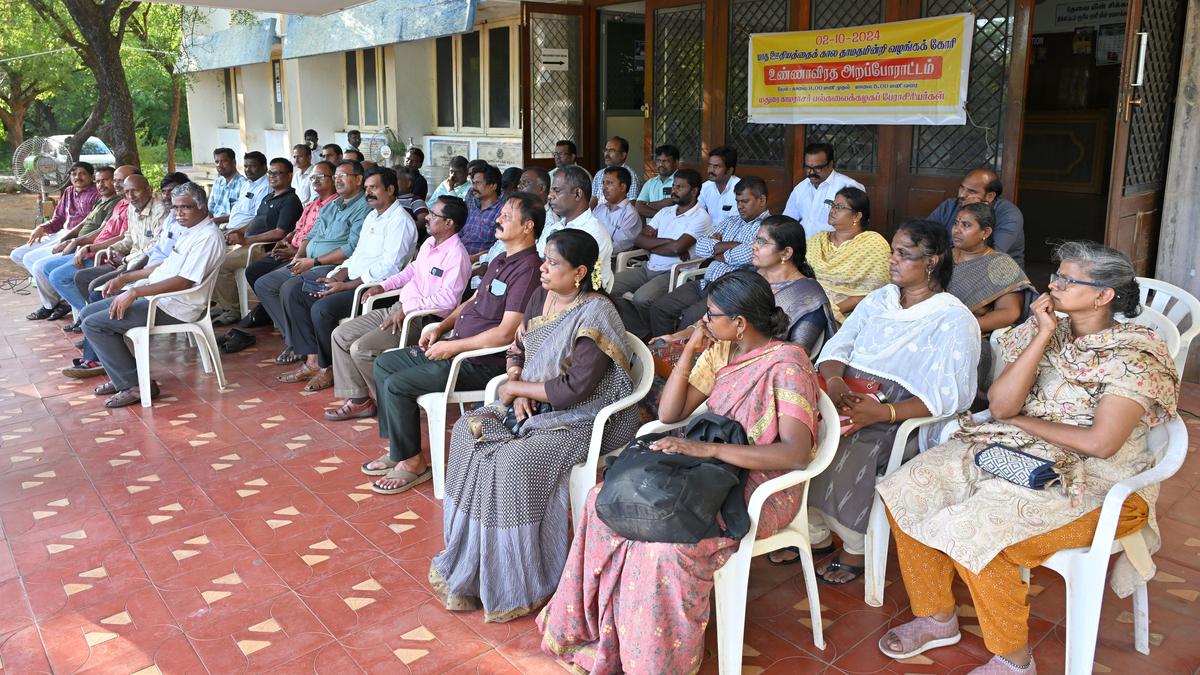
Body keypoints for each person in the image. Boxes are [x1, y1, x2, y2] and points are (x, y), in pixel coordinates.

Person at [875, 241, 1178, 674]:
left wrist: (1023, 424)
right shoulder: (1046, 328)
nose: (1052, 284)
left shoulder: (1135, 355)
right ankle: (937, 617)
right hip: (1014, 449)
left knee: (975, 531)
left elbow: (1100, 443)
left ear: (1103, 295)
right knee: (905, 489)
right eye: (1056, 275)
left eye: (1067, 280)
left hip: (1097, 481)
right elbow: (1000, 407)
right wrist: (1042, 336)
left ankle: (1015, 660)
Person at [539, 269, 822, 672]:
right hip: (707, 472)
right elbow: (671, 412)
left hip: (760, 489)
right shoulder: (724, 351)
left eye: (711, 315)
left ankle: (655, 664)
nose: (704, 321)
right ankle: (602, 637)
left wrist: (704, 449)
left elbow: (795, 454)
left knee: (662, 550)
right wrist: (692, 347)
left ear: (739, 323)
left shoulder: (788, 363)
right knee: (604, 501)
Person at [430, 228, 639, 622]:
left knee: (512, 463)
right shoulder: (542, 296)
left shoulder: (595, 313)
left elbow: (574, 390)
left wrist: (520, 388)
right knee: (466, 434)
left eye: (553, 263)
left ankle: (521, 582)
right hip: (534, 403)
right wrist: (519, 386)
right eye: (544, 260)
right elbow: (517, 349)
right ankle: (471, 562)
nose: (542, 269)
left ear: (579, 272)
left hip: (584, 419)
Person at [801, 220, 979, 582]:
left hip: (903, 413)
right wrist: (835, 382)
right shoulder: (880, 299)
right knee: (797, 434)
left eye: (904, 254)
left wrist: (885, 412)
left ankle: (855, 546)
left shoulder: (953, 317)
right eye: (893, 252)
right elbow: (840, 345)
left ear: (932, 262)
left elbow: (950, 395)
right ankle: (815, 532)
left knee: (848, 446)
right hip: (849, 391)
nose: (892, 260)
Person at [364, 191, 544, 494]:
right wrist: (441, 326)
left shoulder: (528, 269)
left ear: (528, 227)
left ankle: (412, 464)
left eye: (507, 216)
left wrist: (452, 347)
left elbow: (505, 334)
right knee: (385, 362)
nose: (498, 219)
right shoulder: (501, 258)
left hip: (481, 362)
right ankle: (400, 451)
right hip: (456, 345)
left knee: (398, 384)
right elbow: (473, 300)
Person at [78, 182, 226, 408]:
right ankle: (122, 377)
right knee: (89, 311)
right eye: (176, 208)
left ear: (202, 207)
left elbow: (183, 281)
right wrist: (125, 278)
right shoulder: (188, 231)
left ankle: (133, 385)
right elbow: (164, 266)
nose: (178, 213)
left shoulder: (207, 236)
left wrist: (136, 291)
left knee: (95, 324)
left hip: (175, 306)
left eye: (185, 207)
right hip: (158, 298)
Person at [326, 195, 472, 421]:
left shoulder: (457, 256)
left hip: (422, 319)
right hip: (400, 308)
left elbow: (447, 301)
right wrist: (382, 286)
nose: (428, 218)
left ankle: (393, 405)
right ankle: (360, 400)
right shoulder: (430, 244)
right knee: (340, 335)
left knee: (361, 349)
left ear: (449, 223)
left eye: (434, 215)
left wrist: (407, 310)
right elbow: (411, 271)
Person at [274, 165, 414, 391]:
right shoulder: (373, 217)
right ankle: (313, 361)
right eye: (367, 188)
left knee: (322, 309)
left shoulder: (400, 221)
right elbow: (358, 254)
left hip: (372, 290)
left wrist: (346, 285)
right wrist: (339, 272)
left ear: (390, 189)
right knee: (295, 293)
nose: (369, 193)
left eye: (374, 188)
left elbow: (389, 267)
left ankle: (327, 368)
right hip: (351, 280)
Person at [255, 160, 370, 366]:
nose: (338, 181)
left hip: (331, 266)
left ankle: (309, 353)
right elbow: (312, 234)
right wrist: (299, 256)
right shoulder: (333, 205)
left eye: (343, 176)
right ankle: (296, 340)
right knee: (264, 283)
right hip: (308, 259)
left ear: (359, 180)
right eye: (336, 177)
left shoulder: (363, 208)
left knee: (291, 289)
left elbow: (351, 248)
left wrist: (313, 261)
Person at [637, 176, 770, 339]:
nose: (740, 206)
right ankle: (664, 354)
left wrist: (717, 249)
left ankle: (684, 360)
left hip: (728, 291)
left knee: (689, 317)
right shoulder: (732, 221)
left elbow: (748, 254)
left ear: (762, 200)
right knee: (660, 308)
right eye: (737, 201)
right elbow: (701, 245)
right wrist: (729, 247)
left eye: (745, 201)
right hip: (704, 282)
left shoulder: (767, 227)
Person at [946, 202, 1035, 406]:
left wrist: (962, 326)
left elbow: (1009, 312)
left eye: (966, 225)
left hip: (967, 333)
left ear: (985, 232)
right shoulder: (942, 256)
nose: (957, 230)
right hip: (928, 326)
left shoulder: (1000, 264)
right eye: (956, 223)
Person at [235, 161, 338, 331]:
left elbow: (323, 240)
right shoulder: (312, 204)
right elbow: (298, 228)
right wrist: (285, 240)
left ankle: (287, 325)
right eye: (313, 177)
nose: (315, 180)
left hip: (308, 257)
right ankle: (278, 317)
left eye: (321, 176)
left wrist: (296, 252)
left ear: (333, 179)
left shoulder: (333, 206)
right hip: (293, 250)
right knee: (255, 271)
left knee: (272, 281)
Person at [51, 173, 165, 323]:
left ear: (149, 190)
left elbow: (155, 247)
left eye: (135, 191)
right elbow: (129, 237)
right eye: (127, 192)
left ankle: (102, 323)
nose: (131, 196)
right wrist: (112, 249)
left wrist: (124, 258)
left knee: (97, 288)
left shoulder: (160, 210)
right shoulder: (132, 206)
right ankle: (91, 322)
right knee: (83, 278)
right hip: (128, 262)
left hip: (143, 265)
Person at [211, 157, 304, 326]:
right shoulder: (269, 196)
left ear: (290, 175)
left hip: (262, 248)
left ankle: (232, 309)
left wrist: (246, 239)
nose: (272, 176)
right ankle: (221, 304)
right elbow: (256, 220)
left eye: (278, 173)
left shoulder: (290, 201)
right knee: (211, 255)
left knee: (222, 263)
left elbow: (279, 232)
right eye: (271, 173)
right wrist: (238, 230)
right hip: (249, 242)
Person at [609, 168, 711, 310]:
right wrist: (670, 242)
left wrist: (657, 245)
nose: (673, 191)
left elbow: (677, 249)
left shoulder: (701, 217)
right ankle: (633, 328)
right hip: (648, 266)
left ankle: (643, 331)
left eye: (679, 187)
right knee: (607, 287)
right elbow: (639, 239)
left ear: (694, 191)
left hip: (673, 272)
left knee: (641, 298)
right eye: (673, 186)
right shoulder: (665, 212)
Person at [29, 166, 120, 322]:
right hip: (81, 246)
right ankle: (65, 305)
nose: (101, 185)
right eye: (98, 181)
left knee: (56, 275)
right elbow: (83, 223)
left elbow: (103, 232)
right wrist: (65, 241)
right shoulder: (101, 200)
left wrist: (78, 243)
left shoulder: (117, 203)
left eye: (106, 180)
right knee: (41, 266)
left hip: (97, 252)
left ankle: (88, 315)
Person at [13, 162, 100, 300]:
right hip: (60, 233)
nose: (77, 177)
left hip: (76, 237)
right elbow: (58, 219)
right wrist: (42, 227)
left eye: (82, 173)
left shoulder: (97, 194)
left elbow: (91, 226)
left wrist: (67, 240)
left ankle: (52, 303)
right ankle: (58, 294)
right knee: (17, 254)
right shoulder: (69, 191)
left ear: (91, 176)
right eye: (74, 173)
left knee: (33, 261)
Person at [806, 186, 890, 325]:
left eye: (839, 207)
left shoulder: (873, 243)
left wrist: (833, 310)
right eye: (832, 205)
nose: (832, 210)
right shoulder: (817, 240)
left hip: (850, 317)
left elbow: (877, 292)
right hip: (809, 306)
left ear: (856, 216)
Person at [928, 166, 1025, 268]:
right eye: (962, 188)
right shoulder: (949, 206)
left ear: (990, 196)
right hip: (949, 268)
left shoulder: (1009, 214)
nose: (961, 195)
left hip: (997, 274)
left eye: (971, 191)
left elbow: (991, 255)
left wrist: (942, 257)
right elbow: (924, 237)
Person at [540, 166, 614, 290]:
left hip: (585, 297)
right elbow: (540, 259)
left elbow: (580, 279)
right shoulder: (555, 227)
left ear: (577, 194)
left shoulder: (594, 232)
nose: (550, 196)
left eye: (557, 190)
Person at [782, 142, 864, 238]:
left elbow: (858, 225)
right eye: (808, 167)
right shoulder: (801, 188)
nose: (811, 172)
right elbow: (787, 220)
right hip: (803, 247)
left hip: (835, 248)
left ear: (831, 164)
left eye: (818, 168)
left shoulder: (849, 186)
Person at [593, 166, 642, 253]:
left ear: (623, 187)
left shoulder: (630, 214)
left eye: (609, 183)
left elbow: (618, 247)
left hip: (612, 261)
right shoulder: (599, 209)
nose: (604, 187)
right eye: (603, 183)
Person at [220, 151, 270, 232]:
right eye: (245, 166)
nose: (248, 170)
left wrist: (236, 232)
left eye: (253, 166)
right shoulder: (247, 184)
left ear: (264, 167)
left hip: (242, 234)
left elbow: (259, 220)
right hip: (230, 228)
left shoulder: (265, 187)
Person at [460, 164, 503, 256]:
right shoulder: (472, 210)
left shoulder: (502, 213)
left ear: (493, 186)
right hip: (459, 256)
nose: (473, 187)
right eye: (473, 183)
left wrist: (474, 258)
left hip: (480, 264)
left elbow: (501, 247)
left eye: (478, 183)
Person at [589, 136, 639, 209]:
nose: (607, 154)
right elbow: (593, 200)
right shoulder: (599, 174)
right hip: (598, 216)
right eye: (606, 150)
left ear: (623, 155)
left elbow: (632, 204)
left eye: (611, 150)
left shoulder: (631, 176)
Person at [634, 144, 680, 220]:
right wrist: (661, 217)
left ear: (676, 162)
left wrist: (647, 204)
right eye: (659, 160)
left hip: (673, 230)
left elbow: (672, 203)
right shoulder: (650, 183)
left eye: (666, 161)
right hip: (651, 230)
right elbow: (639, 207)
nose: (661, 164)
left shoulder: (682, 181)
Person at [697, 145, 740, 220]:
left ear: (729, 170)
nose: (710, 170)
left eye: (716, 166)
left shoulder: (741, 188)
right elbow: (697, 215)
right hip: (709, 231)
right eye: (709, 165)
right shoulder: (704, 188)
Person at [207, 148, 246, 226]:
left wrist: (215, 220)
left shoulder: (244, 184)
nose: (219, 165)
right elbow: (210, 208)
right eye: (217, 162)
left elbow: (242, 214)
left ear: (234, 162)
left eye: (224, 161)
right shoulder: (217, 182)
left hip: (233, 227)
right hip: (214, 225)